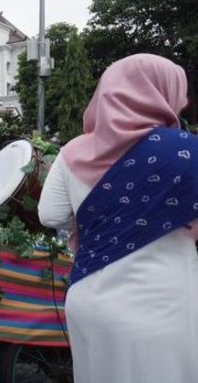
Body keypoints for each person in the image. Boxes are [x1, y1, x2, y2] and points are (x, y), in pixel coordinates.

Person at [38, 54, 198, 383]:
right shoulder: (185, 152)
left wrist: (99, 226)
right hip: (163, 303)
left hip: (90, 299)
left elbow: (49, 214)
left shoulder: (73, 150)